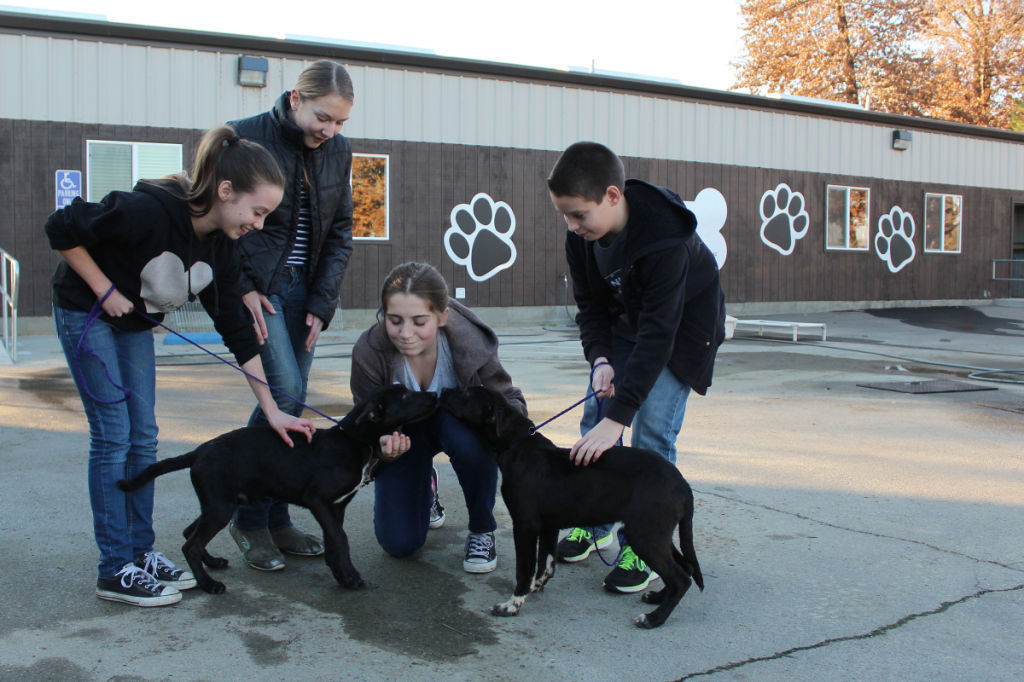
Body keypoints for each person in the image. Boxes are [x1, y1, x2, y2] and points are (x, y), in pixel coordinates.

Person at [46, 125, 316, 608]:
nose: (259, 223)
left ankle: (140, 551)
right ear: (225, 191)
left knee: (144, 433)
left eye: (267, 215)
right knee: (114, 434)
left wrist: (271, 409)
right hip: (86, 310)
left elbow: (236, 329)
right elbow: (61, 227)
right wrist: (104, 289)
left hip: (131, 323)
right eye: (257, 211)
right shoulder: (148, 211)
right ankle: (114, 569)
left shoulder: (221, 245)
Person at [547, 141, 725, 593]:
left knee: (650, 431)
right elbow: (590, 306)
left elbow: (659, 337)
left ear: (611, 196)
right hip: (630, 321)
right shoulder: (581, 237)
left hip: (683, 330)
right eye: (564, 215)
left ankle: (645, 542)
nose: (571, 226)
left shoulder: (666, 239)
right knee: (595, 418)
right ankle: (597, 517)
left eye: (578, 215)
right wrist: (601, 358)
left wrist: (620, 417)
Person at [226, 60, 356, 571]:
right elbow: (223, 222)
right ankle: (250, 518)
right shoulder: (245, 137)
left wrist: (323, 304)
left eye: (341, 123)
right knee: (284, 396)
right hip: (261, 291)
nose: (331, 131)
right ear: (296, 98)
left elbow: (342, 229)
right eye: (324, 117)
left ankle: (275, 515)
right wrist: (241, 289)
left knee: (292, 400)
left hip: (307, 294)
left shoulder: (337, 151)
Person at [350, 262, 527, 573]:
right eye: (394, 321)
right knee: (399, 545)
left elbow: (507, 399)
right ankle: (426, 486)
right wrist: (381, 442)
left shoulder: (471, 342)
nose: (405, 334)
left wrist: (519, 433)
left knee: (467, 438)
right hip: (405, 437)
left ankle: (483, 529)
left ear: (442, 317)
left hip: (456, 427)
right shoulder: (369, 351)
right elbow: (364, 422)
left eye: (419, 322)